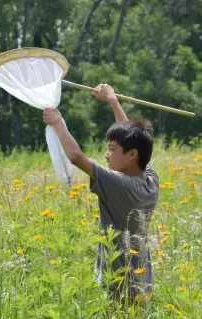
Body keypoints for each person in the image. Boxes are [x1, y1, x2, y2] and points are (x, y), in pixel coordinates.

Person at [43, 84, 159, 303]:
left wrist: (57, 122)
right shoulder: (150, 180)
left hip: (119, 281)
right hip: (141, 279)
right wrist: (112, 100)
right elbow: (131, 136)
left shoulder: (120, 184)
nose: (106, 156)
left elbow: (76, 157)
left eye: (111, 150)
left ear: (132, 154)